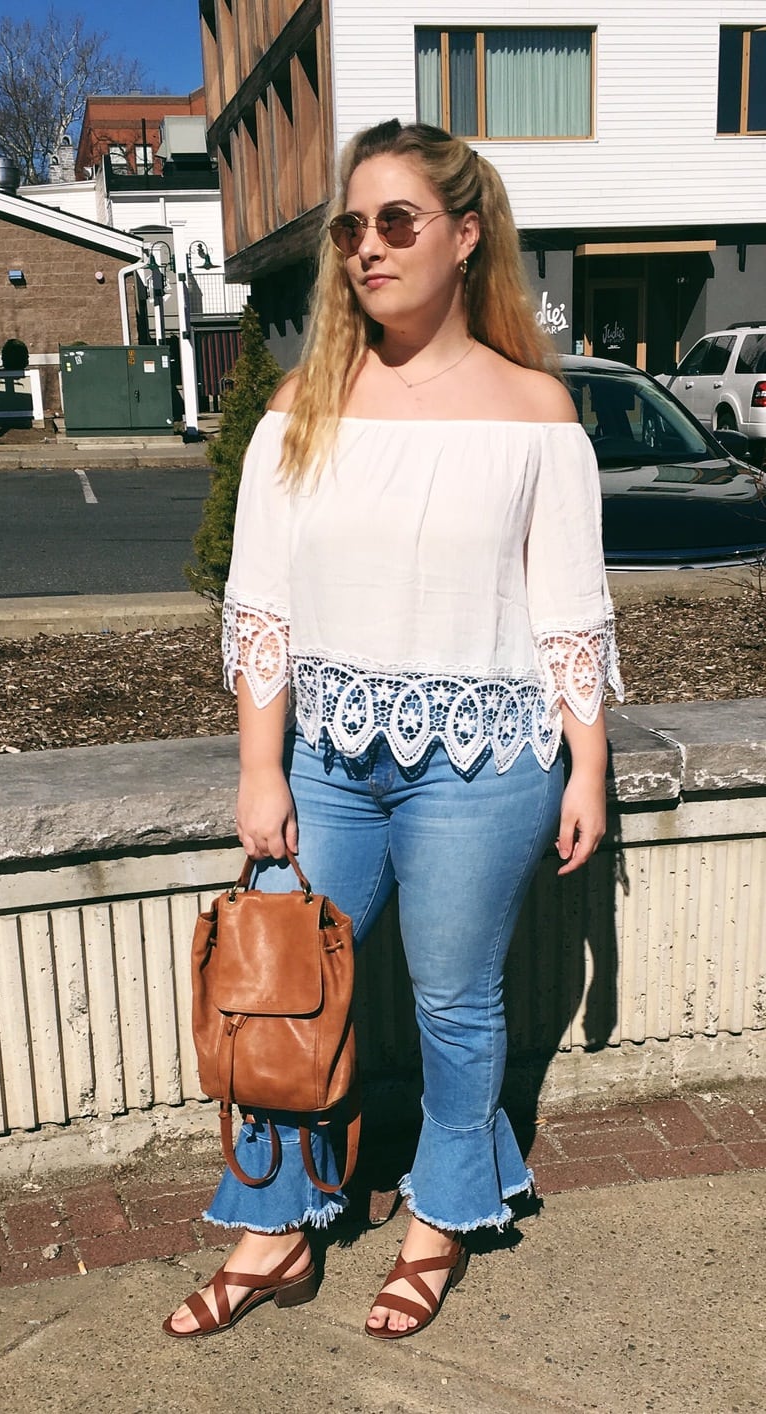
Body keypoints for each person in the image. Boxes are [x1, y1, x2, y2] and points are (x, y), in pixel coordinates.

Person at [163, 118, 623, 1341]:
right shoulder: (303, 406)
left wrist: (587, 767)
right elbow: (259, 605)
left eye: (396, 222)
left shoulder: (535, 410)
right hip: (326, 757)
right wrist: (260, 769)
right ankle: (274, 1230)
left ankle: (439, 1217)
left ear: (465, 237)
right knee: (275, 990)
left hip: (484, 764)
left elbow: (567, 612)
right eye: (351, 226)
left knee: (456, 1002)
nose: (368, 246)